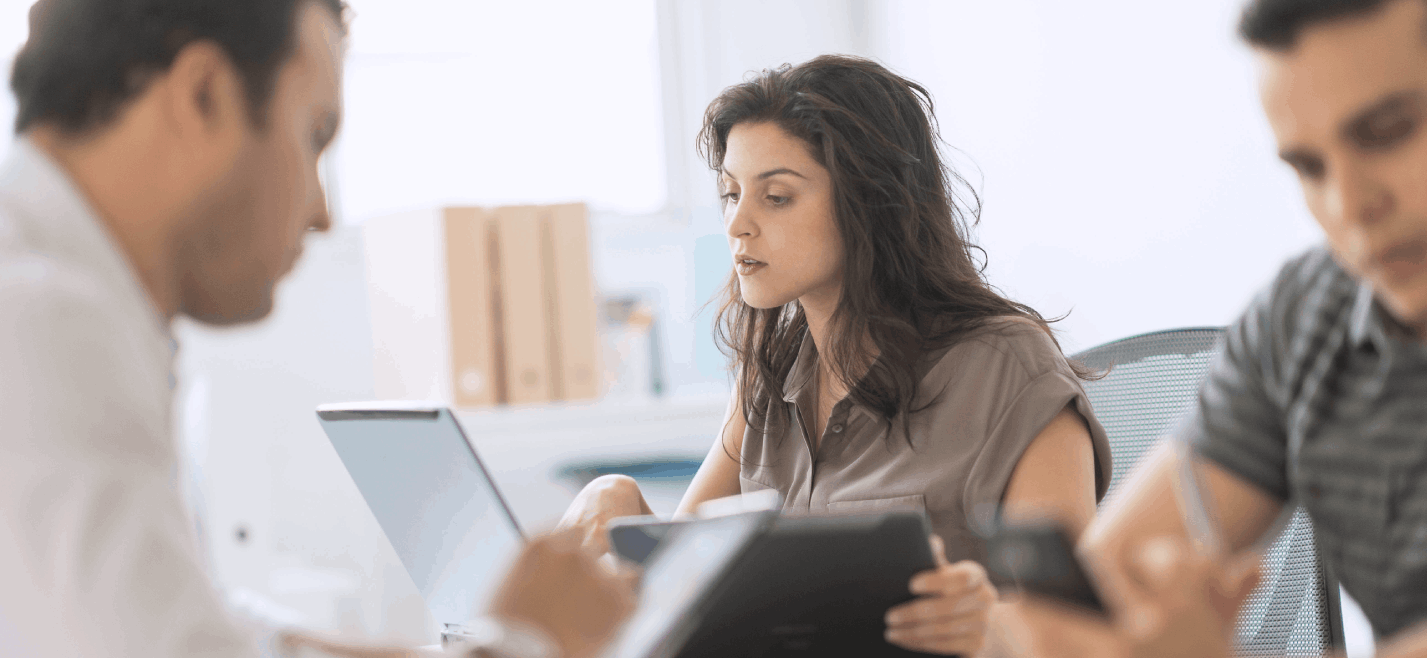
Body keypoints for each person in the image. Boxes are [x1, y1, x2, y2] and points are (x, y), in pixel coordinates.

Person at [0, 1, 634, 657]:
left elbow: (190, 626)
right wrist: (524, 642)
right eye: (314, 136)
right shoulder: (43, 325)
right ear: (203, 95)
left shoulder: (60, 296)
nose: (322, 212)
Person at [559, 54, 1113, 657]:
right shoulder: (773, 373)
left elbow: (1080, 633)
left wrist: (990, 627)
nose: (738, 224)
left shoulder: (1008, 367)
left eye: (776, 197)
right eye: (730, 193)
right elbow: (680, 583)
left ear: (869, 203)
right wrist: (609, 498)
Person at [1011, 0, 1427, 654]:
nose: (1350, 206)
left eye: (1389, 130)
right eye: (1309, 167)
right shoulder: (1306, 320)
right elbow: (1097, 598)